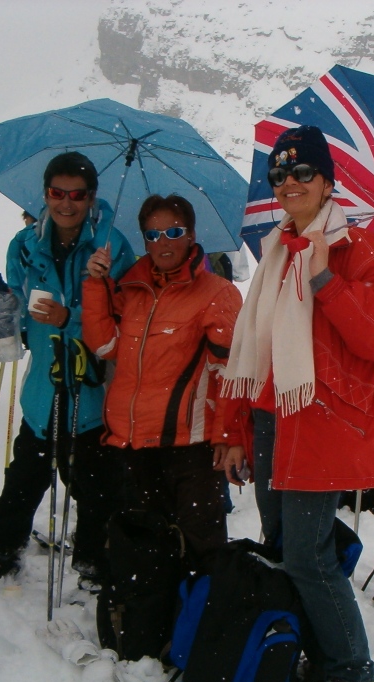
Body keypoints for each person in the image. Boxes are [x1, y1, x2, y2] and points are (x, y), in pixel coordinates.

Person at [221, 126, 374, 682]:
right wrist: (238, 429)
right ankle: (319, 659)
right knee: (284, 546)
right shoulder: (276, 252)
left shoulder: (357, 251)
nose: (289, 184)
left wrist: (328, 280)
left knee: (308, 555)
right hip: (275, 420)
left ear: (328, 182)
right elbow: (257, 349)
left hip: (324, 424)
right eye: (279, 175)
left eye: (302, 172)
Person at [0, 151, 135, 585]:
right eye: (57, 193)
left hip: (93, 392)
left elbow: (126, 318)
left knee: (96, 488)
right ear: (45, 194)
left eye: (77, 195)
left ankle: (92, 561)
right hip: (43, 388)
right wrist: (0, 309)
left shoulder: (112, 246)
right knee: (24, 479)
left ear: (92, 197)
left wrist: (72, 317)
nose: (66, 203)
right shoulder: (24, 245)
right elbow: (19, 311)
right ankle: (4, 548)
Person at [81, 194, 242, 565]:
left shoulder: (218, 293)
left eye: (174, 232)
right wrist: (96, 284)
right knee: (148, 553)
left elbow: (231, 374)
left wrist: (227, 435)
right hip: (136, 444)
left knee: (199, 553)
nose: (163, 242)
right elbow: (105, 345)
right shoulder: (133, 290)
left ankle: (199, 602)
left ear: (192, 235)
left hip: (192, 449)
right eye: (153, 235)